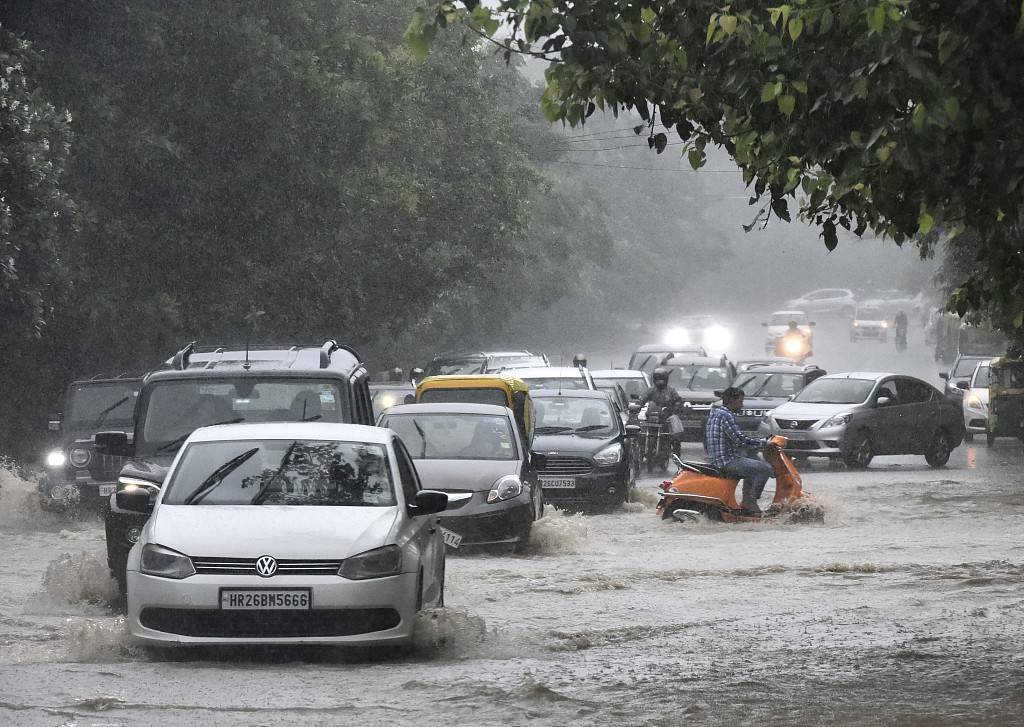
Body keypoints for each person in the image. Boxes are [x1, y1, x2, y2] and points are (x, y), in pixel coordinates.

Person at [705, 386, 775, 514]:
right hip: (727, 462)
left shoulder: (716, 413)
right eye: (740, 402)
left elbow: (735, 439)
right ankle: (750, 502)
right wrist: (763, 443)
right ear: (732, 400)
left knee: (753, 466)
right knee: (765, 468)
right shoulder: (726, 415)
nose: (741, 406)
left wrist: (755, 444)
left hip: (721, 459)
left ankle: (748, 501)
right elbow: (739, 439)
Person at [639, 367, 685, 456]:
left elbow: (678, 400)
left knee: (676, 434)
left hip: (667, 417)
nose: (660, 382)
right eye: (658, 379)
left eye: (662, 379)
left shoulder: (671, 390)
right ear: (654, 380)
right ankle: (642, 448)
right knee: (641, 432)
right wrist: (638, 405)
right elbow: (643, 398)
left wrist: (675, 408)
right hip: (652, 417)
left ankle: (676, 454)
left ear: (666, 380)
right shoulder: (651, 390)